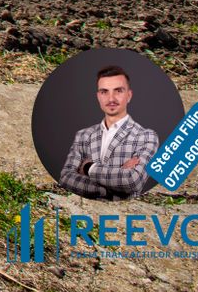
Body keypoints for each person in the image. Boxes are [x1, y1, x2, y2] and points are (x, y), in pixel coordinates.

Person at [58, 65, 159, 198]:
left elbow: (132, 181)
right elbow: (66, 178)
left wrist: (88, 168)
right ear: (98, 96)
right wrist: (107, 190)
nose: (111, 99)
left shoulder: (146, 137)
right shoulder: (83, 136)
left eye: (118, 91)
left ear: (129, 95)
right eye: (104, 92)